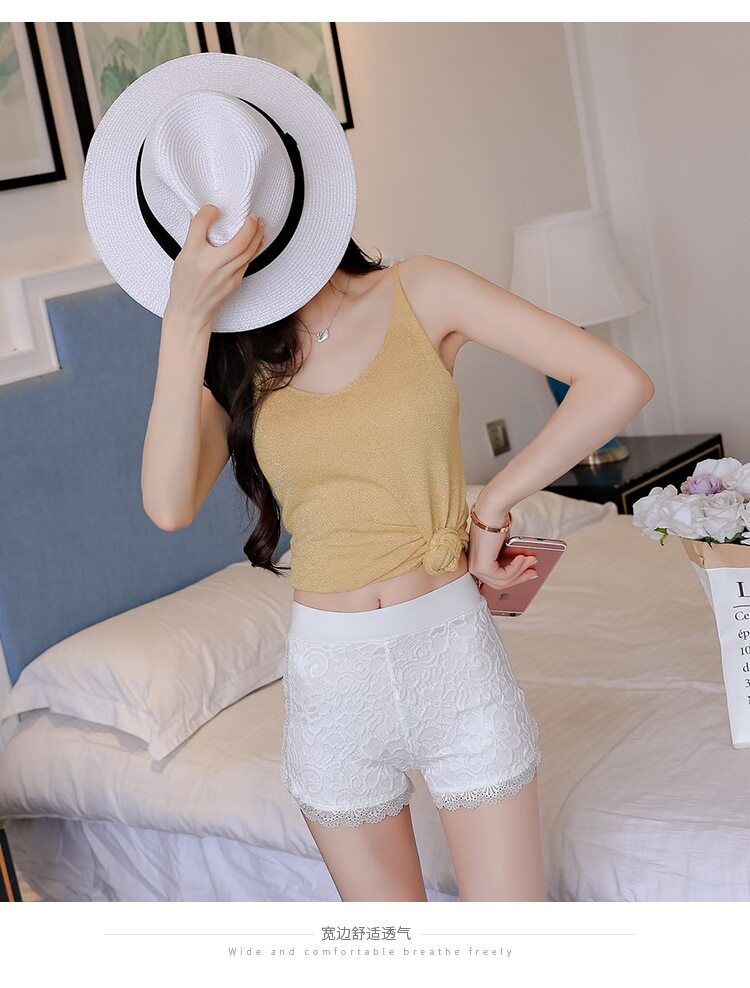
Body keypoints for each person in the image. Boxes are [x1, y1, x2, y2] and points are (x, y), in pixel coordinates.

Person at [140, 206, 655, 902]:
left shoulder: (421, 289)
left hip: (455, 663)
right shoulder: (235, 358)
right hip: (332, 689)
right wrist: (183, 318)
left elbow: (617, 381)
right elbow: (168, 506)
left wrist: (493, 503)